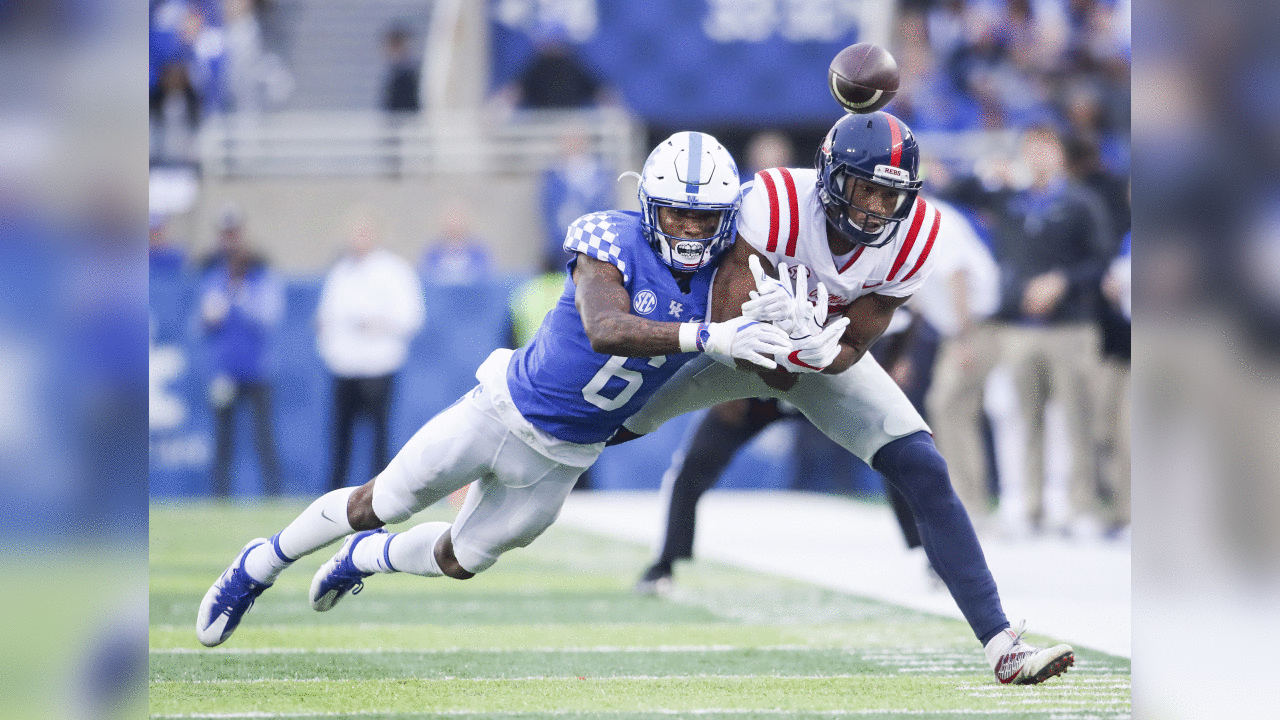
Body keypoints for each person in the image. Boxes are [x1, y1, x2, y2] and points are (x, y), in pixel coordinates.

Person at [196, 132, 791, 648]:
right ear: (646, 206)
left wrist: (796, 335)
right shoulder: (610, 238)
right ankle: (259, 564)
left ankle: (365, 559)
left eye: (705, 217)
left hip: (566, 457)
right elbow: (606, 328)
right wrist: (709, 335)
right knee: (376, 503)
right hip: (502, 411)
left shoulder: (726, 281)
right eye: (676, 213)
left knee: (460, 560)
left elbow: (772, 348)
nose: (690, 228)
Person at [614, 111, 1074, 685]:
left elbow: (853, 345)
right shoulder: (776, 200)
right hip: (737, 348)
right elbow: (725, 313)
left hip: (817, 361)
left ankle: (1000, 642)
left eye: (891, 196)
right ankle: (532, 462)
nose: (878, 209)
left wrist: (815, 350)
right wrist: (777, 335)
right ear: (831, 179)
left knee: (922, 466)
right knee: (622, 419)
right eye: (866, 190)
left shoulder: (917, 237)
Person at [988, 123, 1115, 537]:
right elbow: (962, 191)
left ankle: (1082, 508)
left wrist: (1062, 280)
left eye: (1045, 148)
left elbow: (1102, 258)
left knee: (1079, 420)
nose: (1038, 157)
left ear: (1059, 154)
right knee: (1026, 419)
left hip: (1070, 327)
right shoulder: (1012, 201)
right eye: (1031, 148)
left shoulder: (1080, 201)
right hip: (1021, 328)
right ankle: (1031, 506)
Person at [316, 206, 426, 492]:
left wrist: (376, 325)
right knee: (341, 438)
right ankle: (333, 496)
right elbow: (327, 316)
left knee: (379, 436)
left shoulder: (393, 270)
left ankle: (380, 496)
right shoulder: (341, 272)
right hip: (344, 367)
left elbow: (410, 317)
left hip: (379, 365)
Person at [197, 205, 286, 498]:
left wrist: (240, 297)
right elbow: (201, 324)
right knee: (223, 441)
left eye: (234, 235)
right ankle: (219, 499)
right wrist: (211, 314)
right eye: (225, 235)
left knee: (264, 439)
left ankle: (273, 497)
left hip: (257, 369)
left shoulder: (260, 273)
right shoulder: (213, 275)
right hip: (224, 370)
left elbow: (269, 317)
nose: (230, 242)